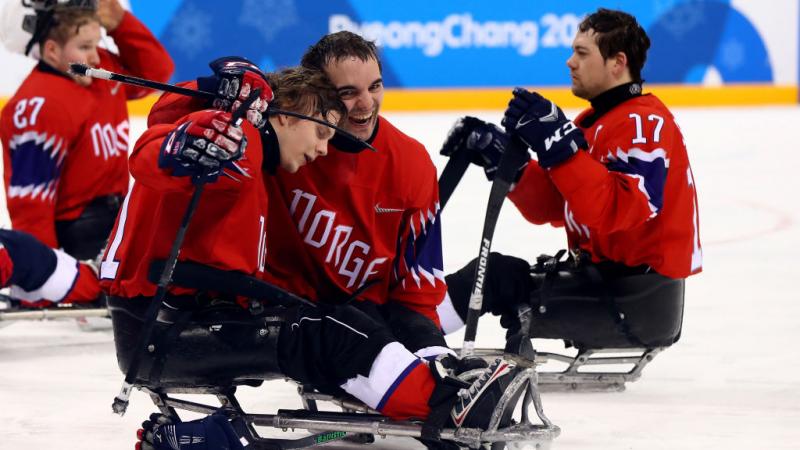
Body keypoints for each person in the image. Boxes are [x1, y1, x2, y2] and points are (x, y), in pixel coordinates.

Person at [97, 59, 520, 450]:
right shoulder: (240, 139)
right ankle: (443, 405)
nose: (323, 149)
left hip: (169, 321)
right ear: (284, 114)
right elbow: (155, 148)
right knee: (327, 330)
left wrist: (203, 95)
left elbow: (169, 117)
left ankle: (427, 388)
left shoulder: (257, 156)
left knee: (342, 320)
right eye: (321, 131)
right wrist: (181, 143)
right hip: (160, 330)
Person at [438, 8, 701, 350]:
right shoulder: (597, 121)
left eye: (581, 53)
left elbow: (615, 209)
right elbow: (554, 204)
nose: (569, 62)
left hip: (637, 301)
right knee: (494, 275)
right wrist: (505, 160)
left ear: (617, 63)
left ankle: (408, 336)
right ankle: (409, 329)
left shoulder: (643, 125)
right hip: (609, 285)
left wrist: (561, 149)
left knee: (493, 278)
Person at [262, 31, 450, 359]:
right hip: (282, 312)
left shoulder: (412, 162)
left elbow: (418, 293)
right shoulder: (282, 143)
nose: (366, 104)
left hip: (368, 317)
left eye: (375, 87)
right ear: (317, 92)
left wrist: (431, 351)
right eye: (348, 92)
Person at [0, 0, 173, 269]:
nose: (95, 57)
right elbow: (31, 204)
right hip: (79, 235)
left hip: (120, 218)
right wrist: (46, 272)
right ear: (52, 51)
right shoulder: (40, 104)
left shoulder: (99, 71)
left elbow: (156, 73)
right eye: (84, 47)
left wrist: (121, 24)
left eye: (96, 44)